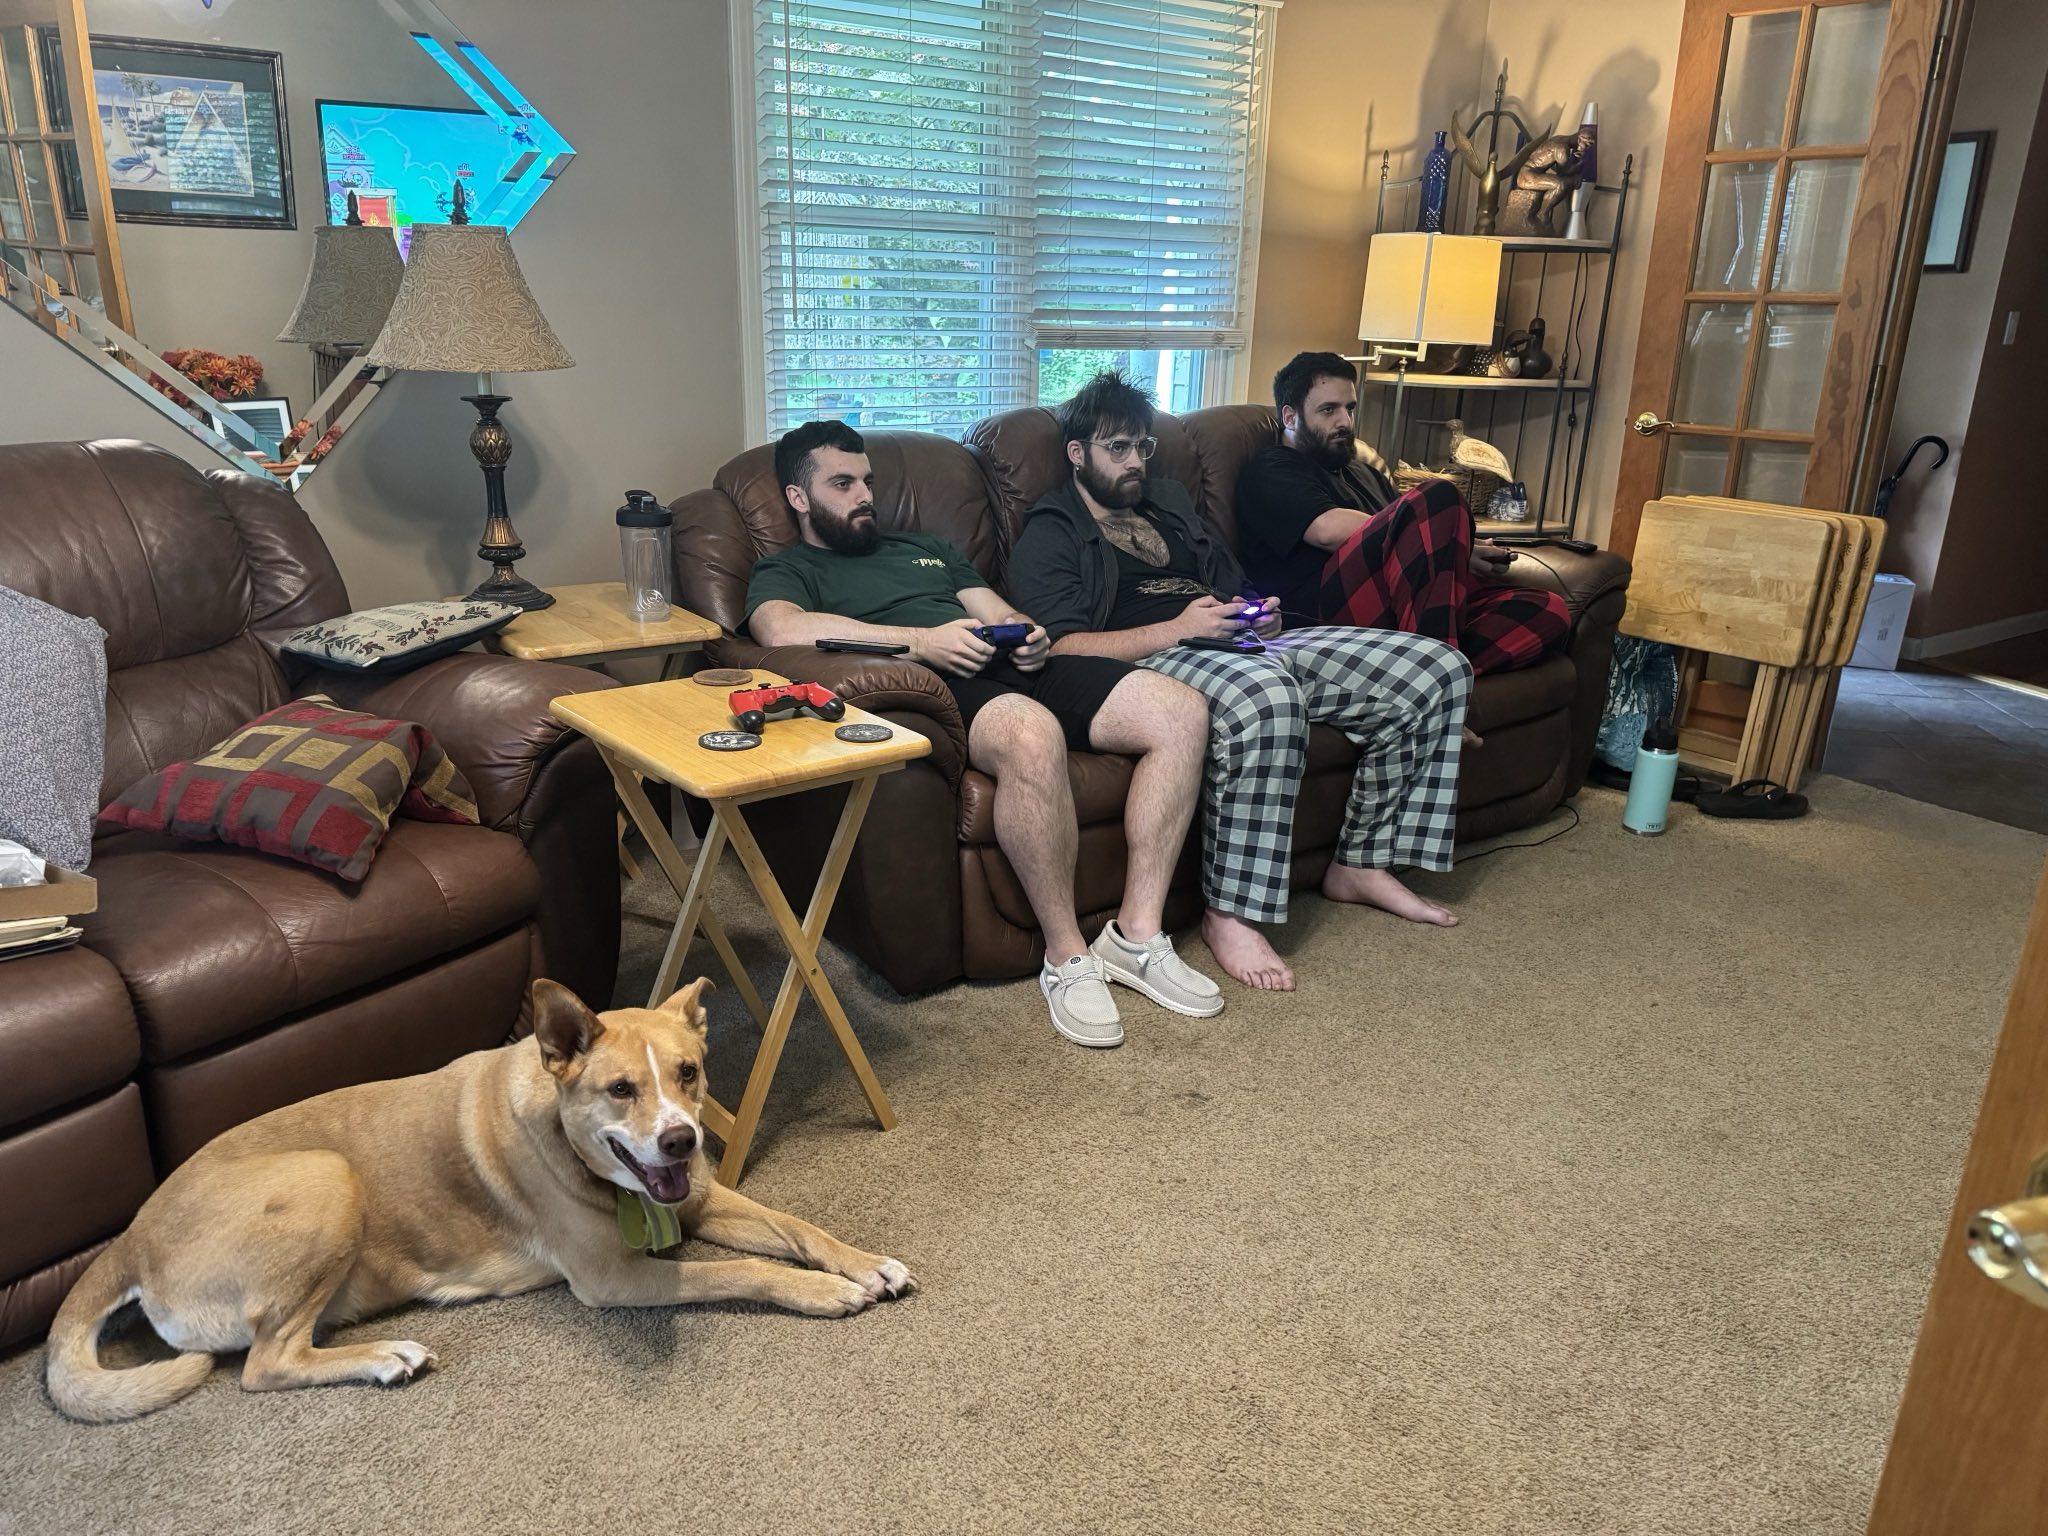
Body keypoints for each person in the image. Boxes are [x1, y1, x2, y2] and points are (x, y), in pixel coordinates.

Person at [744, 420, 1219, 1048]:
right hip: (937, 684)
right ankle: (1066, 956)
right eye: (842, 483)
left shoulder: (928, 548)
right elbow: (779, 631)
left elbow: (999, 611)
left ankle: (1136, 935)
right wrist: (922, 642)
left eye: (867, 481)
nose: (864, 495)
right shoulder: (789, 568)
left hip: (1012, 668)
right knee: (1030, 733)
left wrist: (1029, 635)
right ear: (799, 498)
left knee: (1181, 711)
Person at [1006, 373, 1473, 994]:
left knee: (1435, 669)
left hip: (1241, 639)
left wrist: (1260, 610)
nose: (1133, 462)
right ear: (1077, 453)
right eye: (1116, 447)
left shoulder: (1169, 503)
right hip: (1156, 656)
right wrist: (1176, 628)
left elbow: (1232, 585)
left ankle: (1362, 860)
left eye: (1142, 446)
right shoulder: (1050, 531)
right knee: (1266, 697)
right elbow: (1061, 648)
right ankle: (1232, 912)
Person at [1236, 351, 1571, 676]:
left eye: (1349, 408)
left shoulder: (1362, 473)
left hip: (1398, 614)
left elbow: (1415, 539)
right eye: (1328, 410)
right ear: (1291, 417)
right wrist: (1441, 539)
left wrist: (1454, 550)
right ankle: (1435, 686)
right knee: (1438, 494)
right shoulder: (1273, 467)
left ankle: (1411, 675)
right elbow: (1327, 530)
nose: (1345, 422)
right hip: (1325, 613)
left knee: (1548, 610)